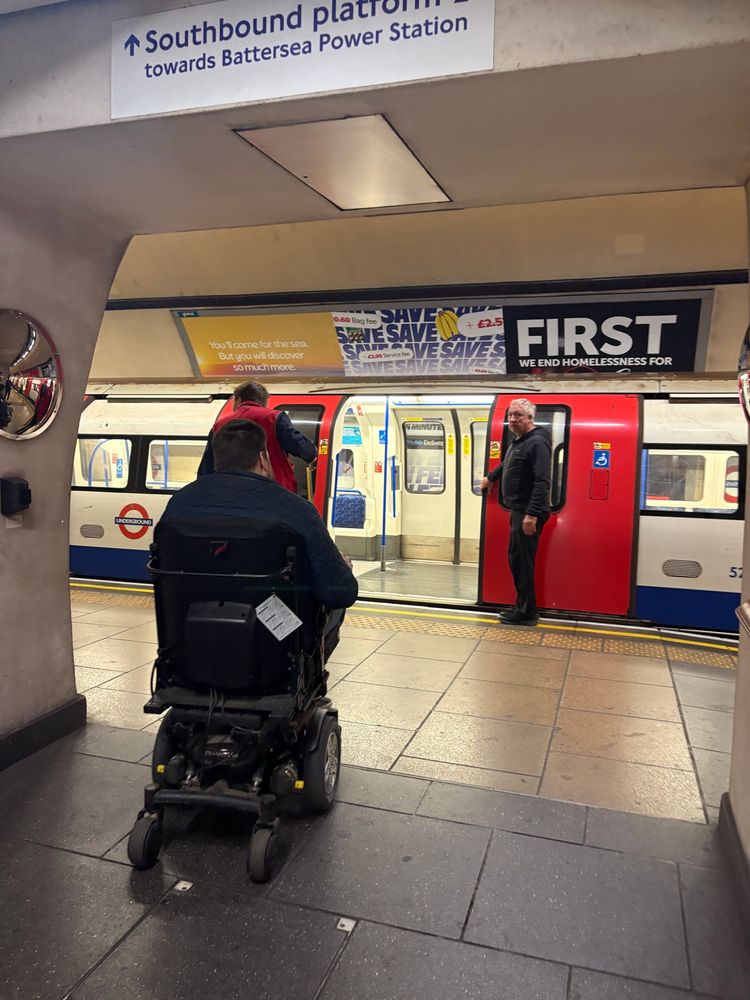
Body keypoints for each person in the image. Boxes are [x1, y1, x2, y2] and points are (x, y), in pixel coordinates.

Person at [164, 418, 357, 652]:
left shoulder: (179, 504)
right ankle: (306, 667)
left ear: (216, 461)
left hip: (189, 646)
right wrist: (342, 568)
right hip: (275, 653)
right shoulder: (296, 509)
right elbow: (341, 592)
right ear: (263, 460)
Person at [480, 398, 551, 625]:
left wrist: (531, 515)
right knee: (517, 561)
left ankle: (527, 613)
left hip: (527, 513)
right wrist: (491, 477)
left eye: (518, 415)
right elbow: (508, 463)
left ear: (530, 418)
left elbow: (542, 482)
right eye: (510, 414)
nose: (512, 419)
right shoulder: (519, 440)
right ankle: (523, 607)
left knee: (523, 563)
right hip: (519, 512)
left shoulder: (537, 443)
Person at [198, 380, 316, 492]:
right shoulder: (274, 418)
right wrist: (312, 455)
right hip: (275, 491)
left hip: (231, 492)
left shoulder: (219, 425)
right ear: (263, 402)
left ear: (238, 400)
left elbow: (206, 468)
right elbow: (305, 449)